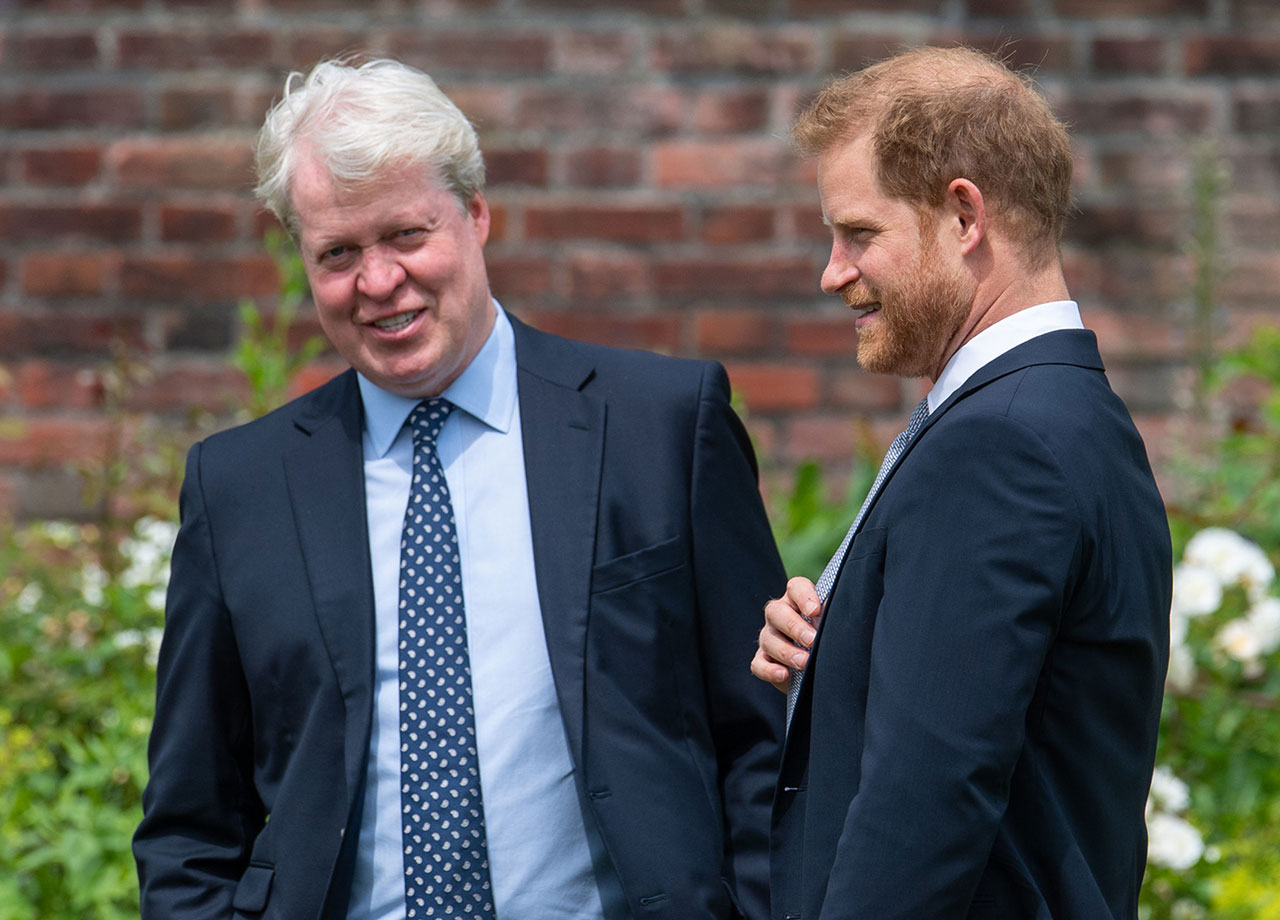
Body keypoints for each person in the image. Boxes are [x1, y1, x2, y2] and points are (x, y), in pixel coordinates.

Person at [134, 57, 785, 920]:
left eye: (406, 235)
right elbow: (190, 826)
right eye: (337, 253)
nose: (377, 282)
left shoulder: (659, 427)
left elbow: (765, 742)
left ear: (476, 215)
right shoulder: (240, 488)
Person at [750, 46, 1171, 920]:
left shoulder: (997, 446)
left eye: (859, 233)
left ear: (964, 214)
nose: (832, 272)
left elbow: (926, 806)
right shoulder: (1069, 417)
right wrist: (831, 655)